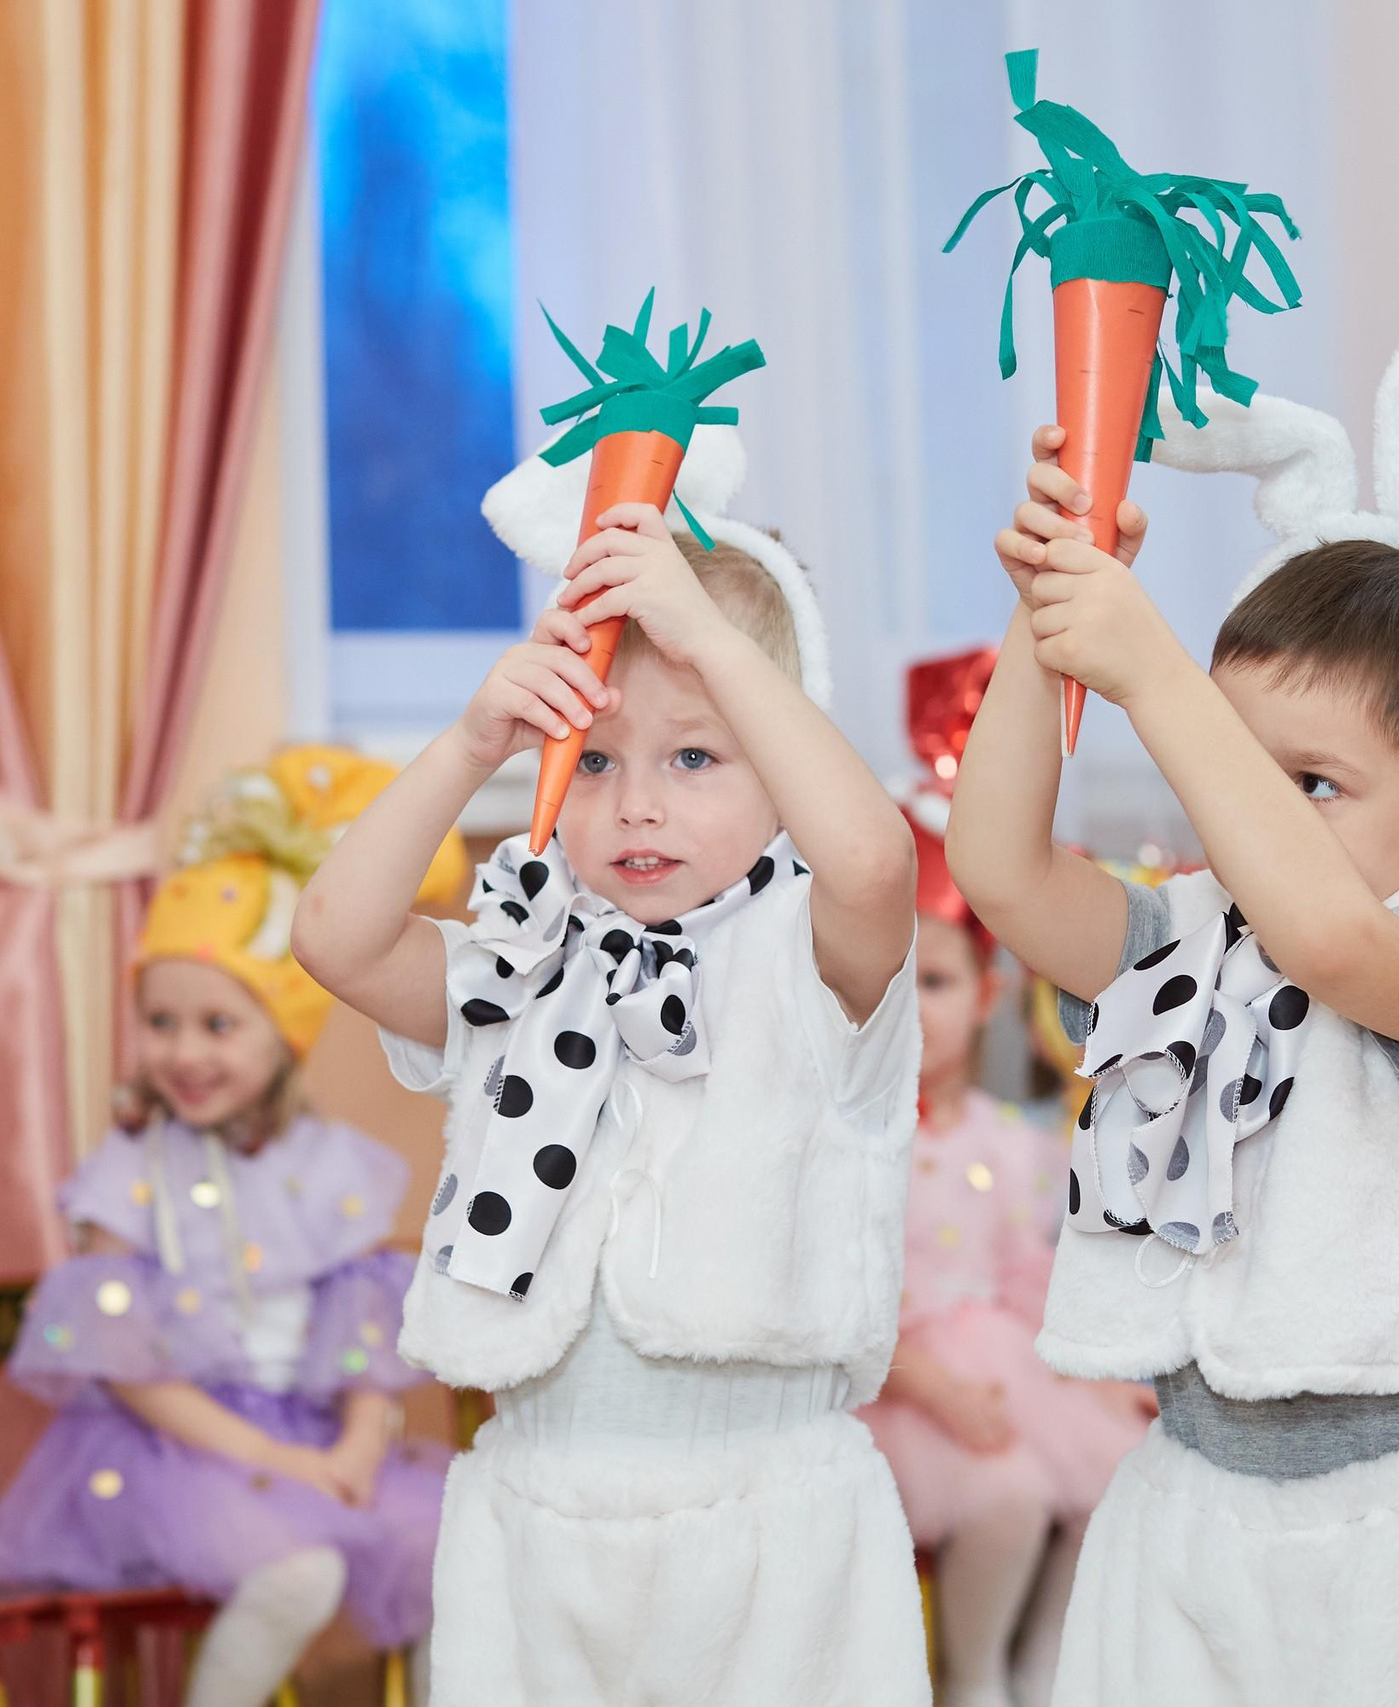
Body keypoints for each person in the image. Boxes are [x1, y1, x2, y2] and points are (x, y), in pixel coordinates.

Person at [950, 235, 1399, 1704]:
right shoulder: (1191, 938)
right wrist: (1056, 606)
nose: (1247, 805)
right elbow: (999, 869)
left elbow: (1328, 938)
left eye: (1310, 779)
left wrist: (1166, 678)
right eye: (1228, 760)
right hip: (1189, 1504)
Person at [292, 429, 928, 1706]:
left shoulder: (814, 958)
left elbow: (872, 861)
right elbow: (334, 937)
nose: (636, 803)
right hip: (534, 1518)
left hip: (771, 1528)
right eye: (592, 760)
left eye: (694, 756)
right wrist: (471, 742)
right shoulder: (517, 959)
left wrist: (710, 640)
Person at [0, 751, 459, 1707]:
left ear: (283, 1038)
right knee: (302, 1574)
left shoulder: (325, 1166)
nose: (184, 1050)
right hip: (178, 1455)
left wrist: (353, 1447)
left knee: (459, 1560)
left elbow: (364, 1338)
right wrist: (273, 1460)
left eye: (219, 1025)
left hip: (309, 1442)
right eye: (161, 1021)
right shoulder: (130, 1172)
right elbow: (133, 1371)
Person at [858, 647, 1155, 1707]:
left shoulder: (1013, 1142)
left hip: (1002, 1364)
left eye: (936, 982)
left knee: (1123, 1469)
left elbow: (1035, 1275)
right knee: (1008, 1494)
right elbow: (841, 1294)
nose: (915, 1007)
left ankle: (1045, 1665)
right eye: (892, 982)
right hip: (888, 1389)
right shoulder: (852, 1144)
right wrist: (930, 1384)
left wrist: (1093, 1373)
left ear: (985, 998)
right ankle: (970, 1674)